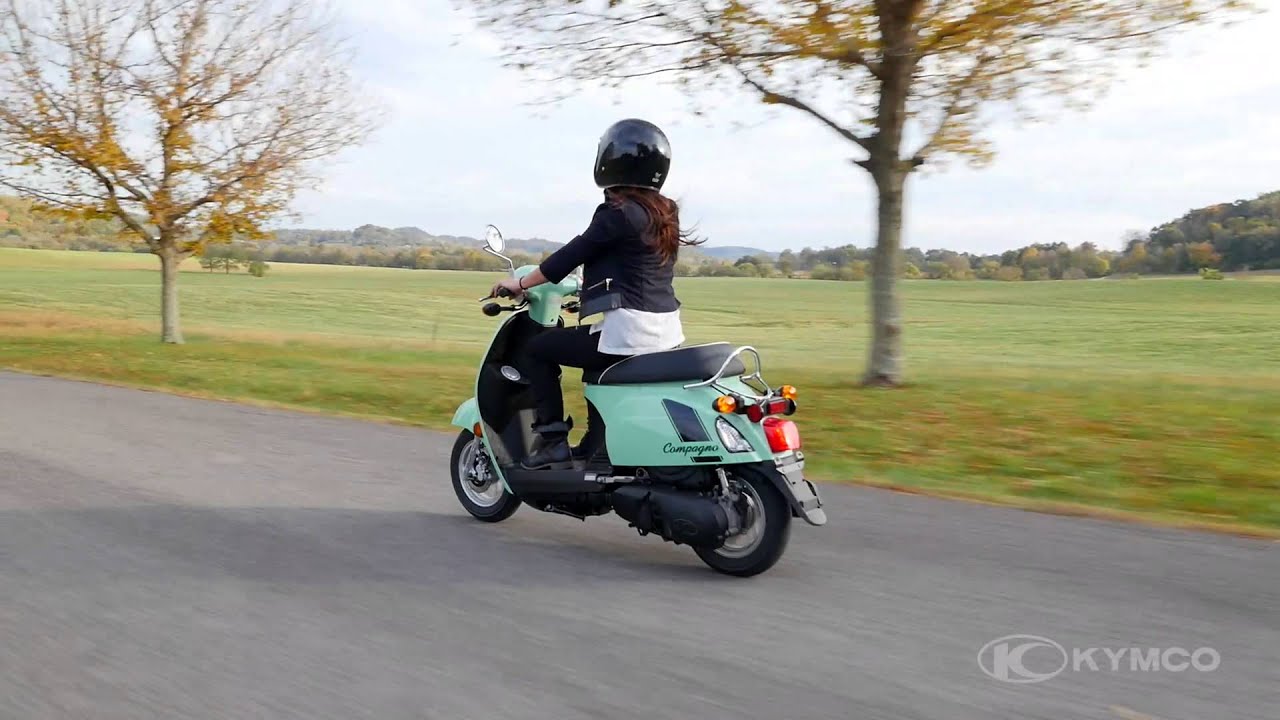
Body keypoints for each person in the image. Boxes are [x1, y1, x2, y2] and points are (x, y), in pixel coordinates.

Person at [490, 118, 699, 470]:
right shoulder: (664, 212)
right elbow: (635, 269)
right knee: (592, 361)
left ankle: (553, 439)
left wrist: (520, 284)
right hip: (665, 331)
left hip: (631, 332)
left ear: (611, 161)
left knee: (539, 349)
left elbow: (570, 256)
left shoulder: (616, 214)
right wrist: (589, 295)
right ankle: (596, 444)